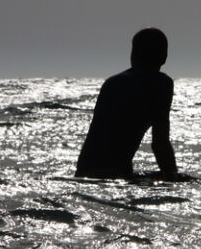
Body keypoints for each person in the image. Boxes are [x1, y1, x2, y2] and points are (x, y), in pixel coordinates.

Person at [75, 28, 180, 181]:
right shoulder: (160, 83)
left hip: (84, 171)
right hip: (115, 174)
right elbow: (159, 142)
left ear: (133, 55)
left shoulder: (112, 83)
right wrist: (172, 177)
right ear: (164, 57)